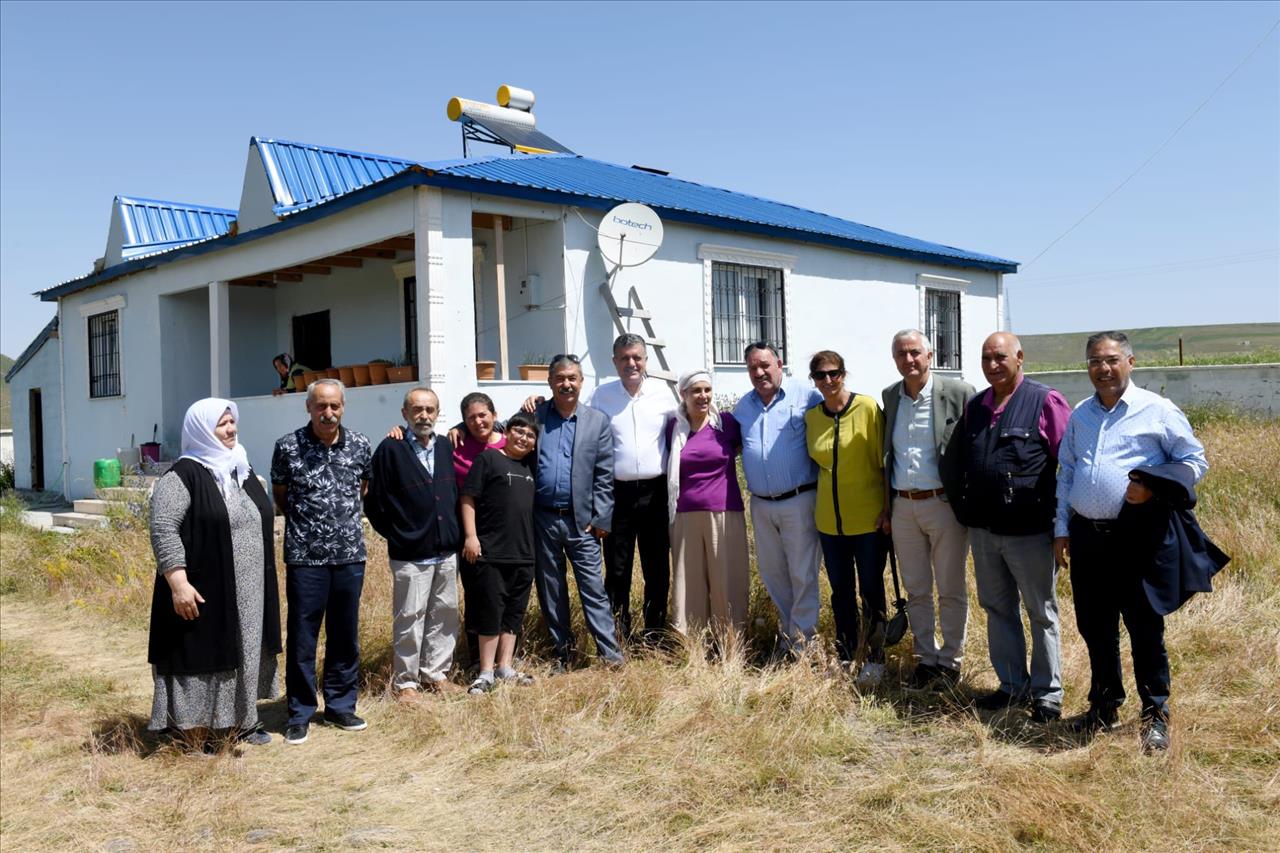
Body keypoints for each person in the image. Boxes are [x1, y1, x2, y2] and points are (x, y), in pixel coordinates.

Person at [1054, 331, 1208, 752]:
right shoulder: (1082, 414)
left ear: (1130, 362)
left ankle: (1155, 715)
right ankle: (1103, 706)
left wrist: (1154, 490)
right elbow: (1066, 472)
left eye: (1110, 360)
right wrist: (1061, 529)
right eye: (1094, 362)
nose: (1102, 369)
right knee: (1095, 626)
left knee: (1143, 627)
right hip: (1087, 537)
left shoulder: (1157, 410)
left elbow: (1195, 461)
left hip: (1136, 536)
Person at [950, 333, 1071, 721]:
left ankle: (1047, 693)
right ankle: (1012, 686)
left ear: (1020, 358)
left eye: (1000, 357)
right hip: (985, 532)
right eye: (986, 358)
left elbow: (1067, 463)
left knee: (1041, 611)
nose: (992, 365)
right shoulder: (976, 407)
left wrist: (1061, 525)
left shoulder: (1044, 400)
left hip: (1031, 531)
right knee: (998, 609)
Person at [147, 398, 281, 748]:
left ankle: (241, 722)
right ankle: (195, 732)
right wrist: (178, 583)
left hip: (250, 586)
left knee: (247, 652)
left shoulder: (243, 469)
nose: (231, 430)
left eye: (232, 423)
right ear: (202, 429)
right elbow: (163, 528)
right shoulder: (182, 476)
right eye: (222, 425)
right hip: (204, 583)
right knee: (202, 656)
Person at [271, 378, 373, 745]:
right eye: (320, 406)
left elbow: (362, 488)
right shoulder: (288, 446)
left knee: (345, 633)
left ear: (343, 406)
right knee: (302, 636)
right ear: (309, 408)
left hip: (349, 556)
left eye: (334, 406)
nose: (328, 413)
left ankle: (340, 706)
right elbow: (280, 495)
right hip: (305, 558)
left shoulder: (360, 444)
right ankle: (299, 712)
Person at [880, 329, 973, 689]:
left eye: (915, 352)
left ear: (930, 355)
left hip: (943, 505)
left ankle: (950, 661)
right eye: (901, 354)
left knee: (950, 587)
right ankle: (925, 659)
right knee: (917, 588)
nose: (909, 360)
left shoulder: (958, 393)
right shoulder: (891, 396)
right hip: (903, 506)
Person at [365, 387, 462, 703]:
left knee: (445, 614)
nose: (424, 416)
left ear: (437, 412)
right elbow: (374, 503)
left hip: (446, 550)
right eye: (417, 410)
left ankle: (436, 674)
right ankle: (406, 683)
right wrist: (399, 533)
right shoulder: (390, 450)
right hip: (410, 552)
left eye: (430, 410)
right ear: (404, 414)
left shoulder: (446, 446)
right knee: (409, 617)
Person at [528, 354, 624, 669]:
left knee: (593, 589)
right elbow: (499, 433)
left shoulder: (597, 421)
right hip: (542, 519)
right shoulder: (535, 416)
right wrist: (460, 426)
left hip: (581, 522)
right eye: (560, 378)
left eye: (572, 378)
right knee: (551, 589)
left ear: (581, 382)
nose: (566, 384)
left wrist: (600, 520)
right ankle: (564, 655)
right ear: (550, 382)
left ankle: (610, 656)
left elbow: (604, 476)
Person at [732, 342, 824, 656]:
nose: (759, 373)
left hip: (799, 499)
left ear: (779, 364)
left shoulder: (807, 396)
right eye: (752, 368)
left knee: (802, 572)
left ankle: (805, 644)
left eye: (765, 365)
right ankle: (789, 637)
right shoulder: (743, 407)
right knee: (773, 573)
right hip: (760, 504)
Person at [803, 351, 888, 686]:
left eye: (834, 374)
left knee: (871, 589)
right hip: (829, 521)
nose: (828, 381)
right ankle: (845, 652)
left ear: (844, 374)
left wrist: (887, 510)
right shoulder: (812, 417)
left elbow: (884, 464)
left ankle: (876, 656)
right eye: (820, 376)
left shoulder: (866, 408)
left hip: (868, 519)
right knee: (840, 592)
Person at [589, 333, 676, 643]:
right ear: (615, 362)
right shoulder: (601, 396)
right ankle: (618, 634)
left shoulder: (665, 395)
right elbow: (578, 424)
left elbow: (689, 425)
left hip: (655, 494)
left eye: (636, 357)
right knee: (617, 567)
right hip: (617, 494)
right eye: (624, 358)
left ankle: (655, 632)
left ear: (645, 360)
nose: (631, 363)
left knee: (657, 567)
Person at [460, 411, 541, 694]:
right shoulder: (488, 459)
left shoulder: (531, 468)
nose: (524, 437)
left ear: (534, 444)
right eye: (519, 431)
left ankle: (505, 667)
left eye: (530, 435)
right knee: (489, 613)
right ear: (506, 432)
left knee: (513, 614)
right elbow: (468, 497)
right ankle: (485, 672)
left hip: (524, 554)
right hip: (490, 553)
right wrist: (471, 536)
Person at [665, 370, 750, 639]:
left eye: (707, 390)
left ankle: (730, 641)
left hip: (724, 511)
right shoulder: (674, 427)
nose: (703, 396)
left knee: (727, 580)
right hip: (685, 514)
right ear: (684, 395)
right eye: (696, 391)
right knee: (689, 584)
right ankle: (692, 645)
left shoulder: (726, 424)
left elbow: (737, 450)